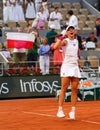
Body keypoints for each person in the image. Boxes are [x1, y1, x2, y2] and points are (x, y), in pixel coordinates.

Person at [54, 26, 81, 119]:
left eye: (72, 29)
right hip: (66, 66)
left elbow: (77, 54)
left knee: (74, 90)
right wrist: (62, 36)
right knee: (64, 89)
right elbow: (55, 47)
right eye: (69, 30)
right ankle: (60, 110)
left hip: (74, 67)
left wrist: (78, 63)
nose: (71, 31)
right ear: (67, 32)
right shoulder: (65, 41)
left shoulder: (77, 41)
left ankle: (72, 111)